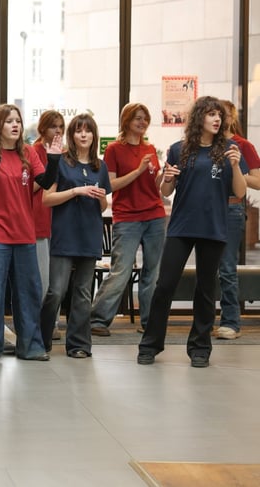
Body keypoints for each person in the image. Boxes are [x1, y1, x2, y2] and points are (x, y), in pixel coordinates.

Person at [138, 96, 247, 368]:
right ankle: (150, 344)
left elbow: (239, 191)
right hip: (181, 227)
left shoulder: (230, 150)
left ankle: (200, 347)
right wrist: (168, 178)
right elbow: (166, 191)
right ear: (199, 118)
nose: (217, 119)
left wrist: (235, 166)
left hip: (213, 227)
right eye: (211, 114)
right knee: (165, 285)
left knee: (206, 290)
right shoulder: (179, 149)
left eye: (219, 115)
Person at [0, 103, 60, 363]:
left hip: (24, 233)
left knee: (28, 292)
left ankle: (30, 346)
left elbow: (44, 182)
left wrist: (54, 159)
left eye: (18, 121)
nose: (15, 125)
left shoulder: (28, 153)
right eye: (9, 121)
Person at [89, 103, 166, 336]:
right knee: (120, 271)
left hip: (155, 216)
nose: (142, 122)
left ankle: (149, 322)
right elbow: (110, 185)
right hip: (127, 218)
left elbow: (155, 186)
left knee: (153, 273)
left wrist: (165, 176)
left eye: (145, 118)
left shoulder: (150, 148)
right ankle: (97, 320)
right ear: (127, 121)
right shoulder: (114, 149)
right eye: (137, 118)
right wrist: (138, 171)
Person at [39, 114, 110, 357]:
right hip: (65, 234)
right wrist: (76, 191)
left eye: (87, 131)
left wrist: (100, 197)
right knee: (56, 291)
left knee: (83, 293)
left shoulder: (100, 167)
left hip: (90, 235)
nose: (83, 135)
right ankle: (41, 340)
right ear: (72, 135)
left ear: (94, 135)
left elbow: (103, 206)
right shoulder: (61, 163)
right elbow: (47, 198)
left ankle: (79, 345)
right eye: (79, 131)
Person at [215, 100, 260, 340]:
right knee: (208, 267)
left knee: (227, 268)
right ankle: (205, 320)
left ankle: (231, 322)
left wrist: (237, 173)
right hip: (206, 210)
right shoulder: (206, 144)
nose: (220, 119)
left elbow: (258, 181)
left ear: (232, 118)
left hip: (232, 208)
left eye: (224, 114)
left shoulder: (243, 146)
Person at [32, 111, 65, 340]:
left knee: (56, 282)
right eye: (54, 126)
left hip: (59, 223)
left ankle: (52, 323)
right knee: (42, 282)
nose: (58, 131)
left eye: (61, 126)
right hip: (38, 221)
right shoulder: (34, 151)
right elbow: (32, 187)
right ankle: (37, 325)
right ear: (43, 128)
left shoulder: (63, 152)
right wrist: (49, 169)